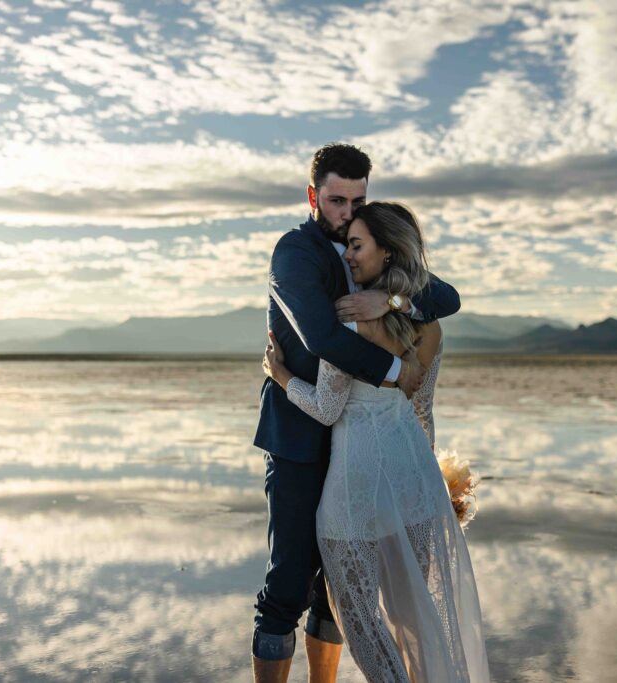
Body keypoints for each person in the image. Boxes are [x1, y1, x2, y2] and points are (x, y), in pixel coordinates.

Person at [252, 145, 461, 683]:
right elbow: (321, 335)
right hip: (302, 440)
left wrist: (391, 303)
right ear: (313, 196)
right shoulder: (295, 253)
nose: (347, 212)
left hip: (356, 447)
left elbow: (445, 297)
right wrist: (396, 374)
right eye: (337, 200)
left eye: (357, 200)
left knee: (339, 596)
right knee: (287, 587)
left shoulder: (371, 249)